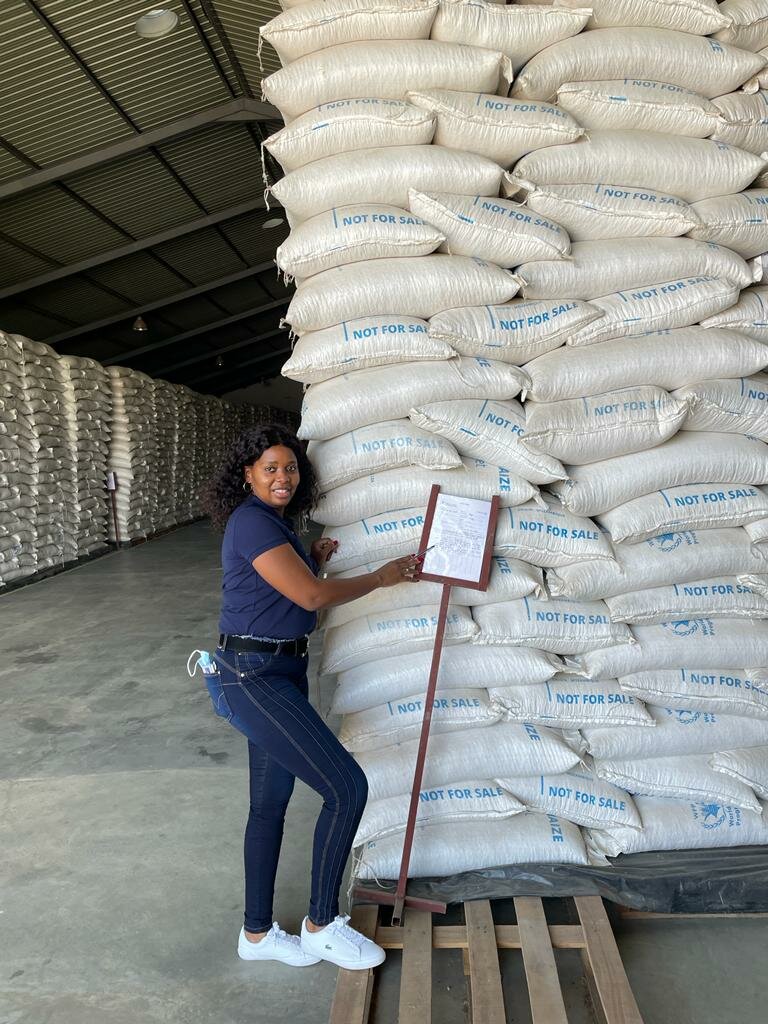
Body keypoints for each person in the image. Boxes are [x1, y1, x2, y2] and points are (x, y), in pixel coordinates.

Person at [201, 424, 423, 971]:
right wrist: (381, 577)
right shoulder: (252, 522)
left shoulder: (274, 524)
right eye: (271, 468)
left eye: (291, 468)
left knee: (269, 806)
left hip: (276, 667)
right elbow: (310, 596)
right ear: (247, 474)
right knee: (347, 787)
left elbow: (292, 591)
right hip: (254, 676)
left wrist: (312, 556)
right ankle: (322, 925)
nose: (283, 477)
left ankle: (255, 936)